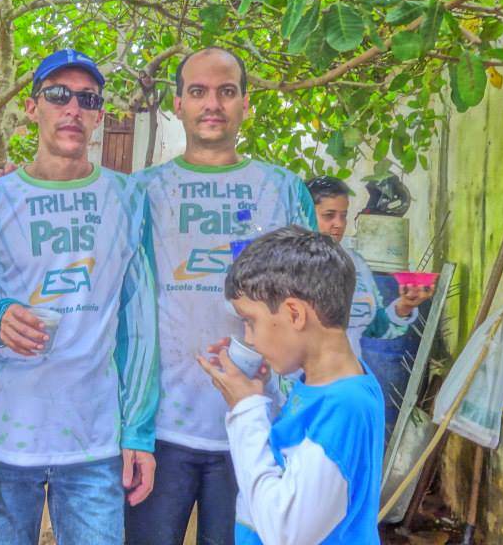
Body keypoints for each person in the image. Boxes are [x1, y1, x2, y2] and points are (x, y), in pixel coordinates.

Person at [0, 50, 159, 545]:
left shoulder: (128, 198)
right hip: (5, 442)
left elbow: (140, 324)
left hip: (95, 444)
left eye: (87, 99)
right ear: (33, 109)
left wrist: (138, 432)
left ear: (99, 115)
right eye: (58, 95)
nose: (73, 108)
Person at [127, 47, 316, 545]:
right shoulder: (141, 193)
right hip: (159, 428)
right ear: (177, 104)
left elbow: (314, 308)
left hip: (256, 423)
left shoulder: (283, 190)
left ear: (246, 103)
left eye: (226, 92)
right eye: (198, 92)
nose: (212, 104)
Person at [199, 226, 385, 544]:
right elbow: (291, 456)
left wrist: (246, 411)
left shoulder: (345, 406)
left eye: (250, 321)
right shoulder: (323, 384)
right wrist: (262, 388)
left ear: (295, 314)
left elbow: (286, 532)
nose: (249, 338)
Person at [306, 176, 431, 357]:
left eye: (343, 216)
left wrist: (404, 306)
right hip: (298, 375)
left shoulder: (355, 264)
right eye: (329, 215)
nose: (339, 224)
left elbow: (375, 326)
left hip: (348, 373)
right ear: (305, 213)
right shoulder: (283, 266)